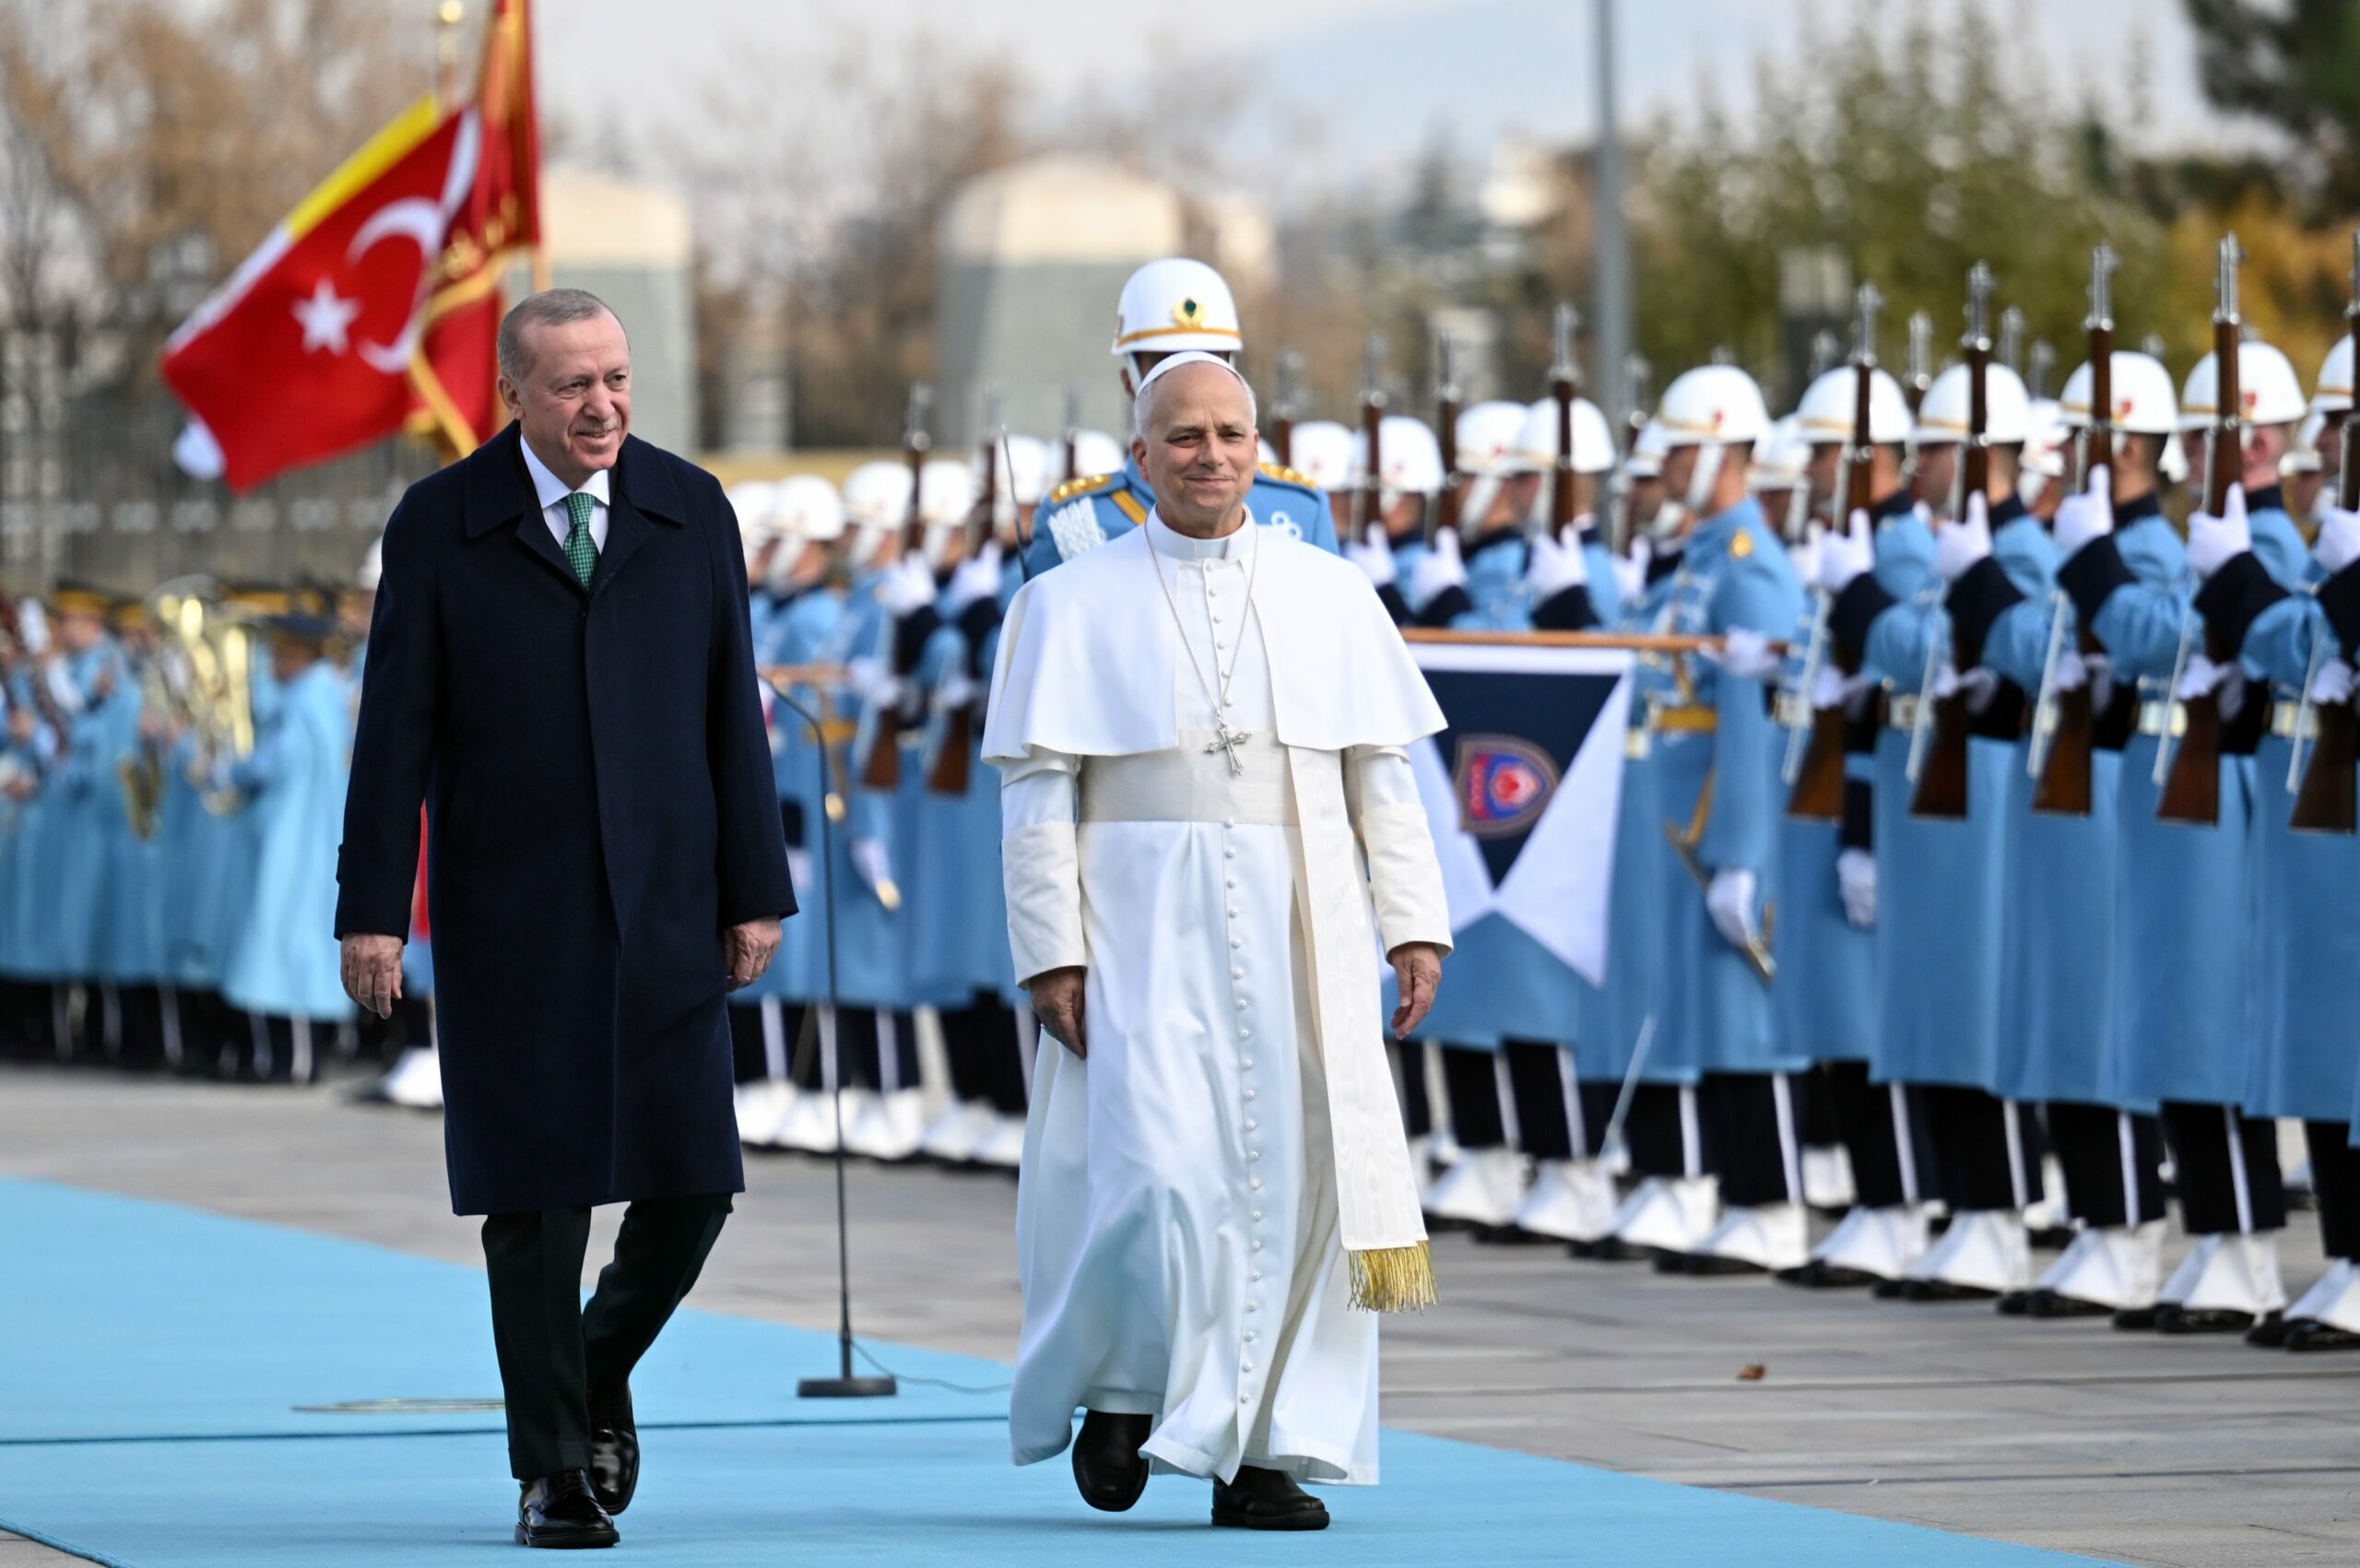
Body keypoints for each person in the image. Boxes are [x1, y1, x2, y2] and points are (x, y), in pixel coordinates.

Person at [335, 289, 794, 1550]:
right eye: (574, 385)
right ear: (513, 396)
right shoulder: (441, 524)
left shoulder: (690, 507)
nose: (603, 405)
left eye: (618, 379)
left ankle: (589, 1372)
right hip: (512, 911)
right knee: (536, 1202)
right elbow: (394, 734)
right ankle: (551, 1470)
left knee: (693, 1182)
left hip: (668, 904)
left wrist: (757, 886)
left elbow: (728, 715)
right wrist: (373, 909)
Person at [985, 351, 1449, 1529]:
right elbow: (1036, 796)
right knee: (1150, 1184)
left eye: (1229, 434)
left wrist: (1414, 925)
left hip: (1305, 923)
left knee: (1298, 1189)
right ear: (1138, 458)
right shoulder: (1066, 603)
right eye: (1182, 437)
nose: (1209, 456)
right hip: (1139, 927)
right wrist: (1052, 951)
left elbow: (1381, 778)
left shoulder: (1331, 594)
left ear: (1261, 449)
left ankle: (1265, 1456)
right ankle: (1125, 1392)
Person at [1025, 258, 1332, 575]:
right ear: (1130, 381)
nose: (1187, 376)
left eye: (1209, 358)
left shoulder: (1301, 510)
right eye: (1164, 363)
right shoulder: (1074, 521)